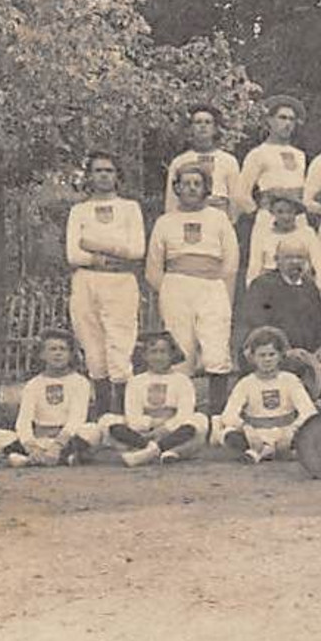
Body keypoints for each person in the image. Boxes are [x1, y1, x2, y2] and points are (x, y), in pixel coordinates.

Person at [146, 162, 239, 409]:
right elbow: (154, 267)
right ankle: (182, 412)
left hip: (211, 287)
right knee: (181, 351)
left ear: (206, 188)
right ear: (176, 187)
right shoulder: (165, 221)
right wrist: (170, 288)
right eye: (186, 183)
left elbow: (231, 261)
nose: (191, 188)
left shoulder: (218, 219)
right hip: (176, 288)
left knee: (216, 350)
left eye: (197, 184)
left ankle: (217, 416)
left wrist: (213, 282)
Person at [66, 150, 145, 417]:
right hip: (86, 281)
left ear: (117, 176)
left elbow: (136, 250)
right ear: (89, 176)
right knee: (92, 345)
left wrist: (95, 246)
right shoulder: (79, 210)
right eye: (98, 170)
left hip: (120, 282)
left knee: (120, 345)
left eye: (109, 170)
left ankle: (123, 415)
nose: (103, 175)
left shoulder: (130, 208)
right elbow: (73, 254)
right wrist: (107, 256)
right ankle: (101, 415)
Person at [0, 329, 100, 467]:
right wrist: (31, 446)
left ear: (71, 355)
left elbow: (77, 418)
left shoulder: (80, 382)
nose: (58, 353)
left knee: (92, 430)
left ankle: (27, 460)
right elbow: (24, 420)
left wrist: (58, 445)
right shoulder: (33, 384)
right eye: (52, 349)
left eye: (63, 349)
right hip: (39, 439)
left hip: (67, 440)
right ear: (42, 354)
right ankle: (59, 459)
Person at [99, 330, 208, 466]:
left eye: (163, 352)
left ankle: (147, 452)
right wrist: (153, 424)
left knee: (199, 420)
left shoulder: (183, 380)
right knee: (107, 420)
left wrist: (165, 428)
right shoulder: (135, 381)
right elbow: (133, 418)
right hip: (142, 434)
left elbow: (184, 414)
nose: (158, 357)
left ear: (172, 355)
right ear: (144, 355)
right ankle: (155, 449)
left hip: (173, 432)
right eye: (153, 352)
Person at [215, 326, 318, 463]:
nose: (267, 360)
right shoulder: (246, 383)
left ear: (280, 356)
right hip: (255, 434)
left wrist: (292, 430)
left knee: (308, 434)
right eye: (262, 355)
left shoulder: (290, 380)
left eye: (272, 354)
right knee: (226, 434)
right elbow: (229, 415)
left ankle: (261, 452)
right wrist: (246, 428)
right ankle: (267, 450)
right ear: (252, 357)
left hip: (285, 433)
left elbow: (309, 412)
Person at [238, 238, 321, 362]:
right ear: (277, 260)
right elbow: (258, 326)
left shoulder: (310, 287)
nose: (295, 262)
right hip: (274, 356)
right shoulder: (263, 286)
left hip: (308, 357)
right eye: (289, 258)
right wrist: (285, 350)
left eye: (300, 258)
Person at [164, 103, 241, 220]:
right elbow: (171, 201)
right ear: (191, 128)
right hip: (188, 218)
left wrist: (230, 223)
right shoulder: (179, 161)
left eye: (207, 122)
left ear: (215, 129)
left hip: (219, 220)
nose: (203, 126)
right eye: (198, 122)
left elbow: (235, 199)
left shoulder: (228, 161)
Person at [236, 95, 308, 217]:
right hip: (269, 219)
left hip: (296, 220)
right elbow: (241, 194)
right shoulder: (258, 153)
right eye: (282, 118)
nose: (287, 123)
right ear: (270, 120)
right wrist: (258, 214)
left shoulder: (299, 155)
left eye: (292, 119)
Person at [247, 189, 321, 295]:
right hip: (271, 288)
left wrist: (320, 291)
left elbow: (319, 267)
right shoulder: (262, 234)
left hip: (300, 286)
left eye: (290, 211)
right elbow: (254, 268)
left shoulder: (307, 233)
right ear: (272, 213)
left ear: (296, 213)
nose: (286, 217)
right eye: (280, 212)